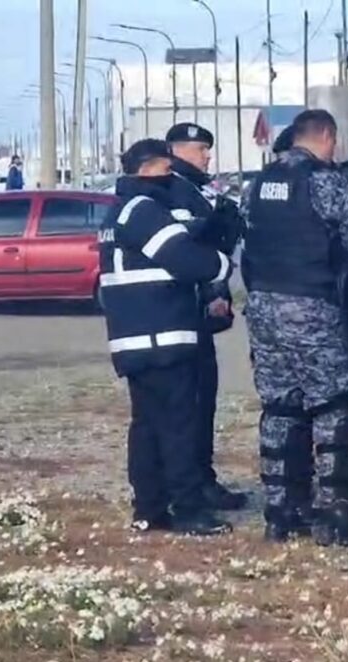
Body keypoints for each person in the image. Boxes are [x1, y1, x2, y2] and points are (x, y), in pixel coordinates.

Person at [242, 109, 348, 546]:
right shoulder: (325, 184)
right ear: (326, 136)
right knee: (333, 407)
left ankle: (281, 512)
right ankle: (334, 515)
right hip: (311, 307)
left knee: (281, 408)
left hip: (264, 307)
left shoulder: (257, 184)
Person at [97, 139, 234, 536]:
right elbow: (184, 259)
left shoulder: (118, 210)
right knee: (177, 425)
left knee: (148, 425)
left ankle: (150, 508)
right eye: (166, 169)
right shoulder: (143, 209)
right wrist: (222, 262)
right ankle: (188, 508)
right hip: (160, 333)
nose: (171, 177)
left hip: (136, 337)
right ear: (152, 168)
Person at [164, 122, 248, 510]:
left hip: (198, 306)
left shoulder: (194, 189)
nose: (207, 156)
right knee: (192, 401)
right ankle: (192, 482)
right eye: (200, 149)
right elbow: (190, 247)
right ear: (178, 150)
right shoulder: (174, 190)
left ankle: (200, 476)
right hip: (184, 309)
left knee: (203, 398)